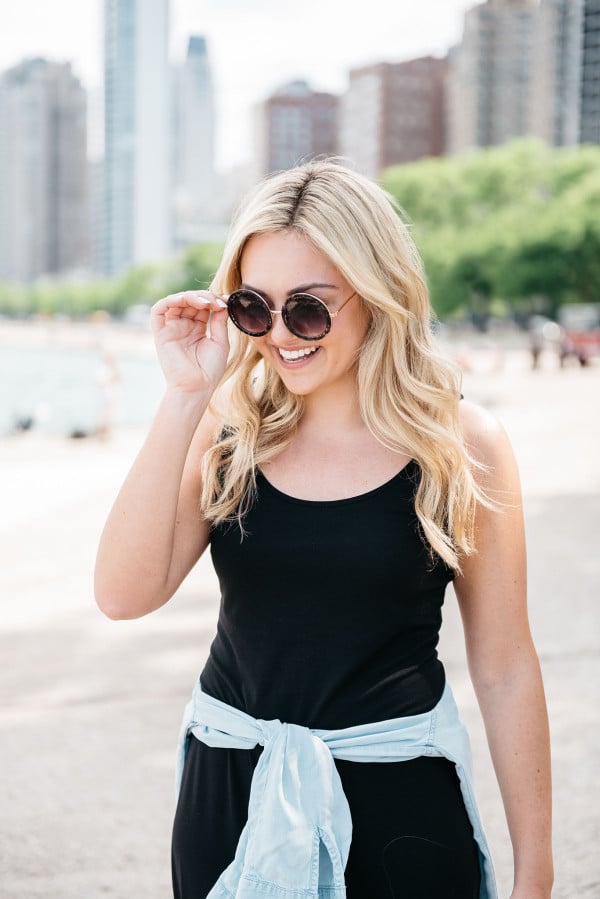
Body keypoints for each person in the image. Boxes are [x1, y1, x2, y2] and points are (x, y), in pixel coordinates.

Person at [94, 160, 553, 899]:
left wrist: (537, 874)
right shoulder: (229, 433)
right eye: (253, 306)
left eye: (308, 309)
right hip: (232, 793)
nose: (280, 334)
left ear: (377, 294)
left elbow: (503, 666)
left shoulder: (461, 444)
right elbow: (122, 593)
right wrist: (186, 396)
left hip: (401, 800)